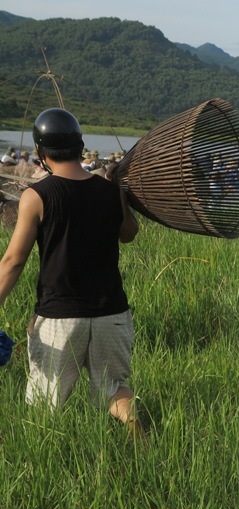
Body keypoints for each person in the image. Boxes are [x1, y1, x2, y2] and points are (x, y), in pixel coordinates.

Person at [0, 108, 142, 436]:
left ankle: (45, 459)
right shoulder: (111, 190)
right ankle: (140, 436)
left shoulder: (37, 196)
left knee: (44, 401)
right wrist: (117, 192)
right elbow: (129, 233)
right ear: (80, 146)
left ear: (40, 153)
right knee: (114, 387)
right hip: (113, 313)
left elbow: (13, 261)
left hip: (60, 317)